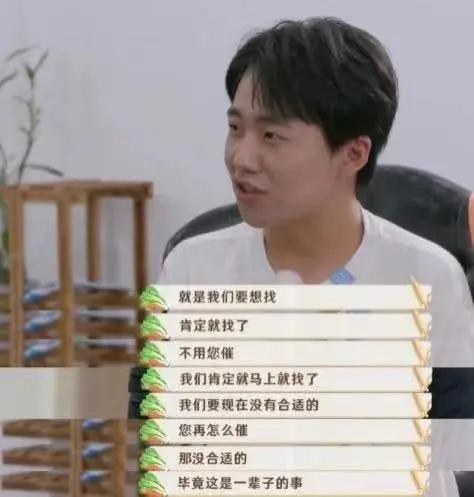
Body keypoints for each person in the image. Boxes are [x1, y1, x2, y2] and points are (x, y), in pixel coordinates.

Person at [153, 17, 474, 497]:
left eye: (271, 136)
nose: (241, 157)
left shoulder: (428, 276)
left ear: (353, 154)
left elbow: (451, 457)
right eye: (236, 128)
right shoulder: (193, 269)